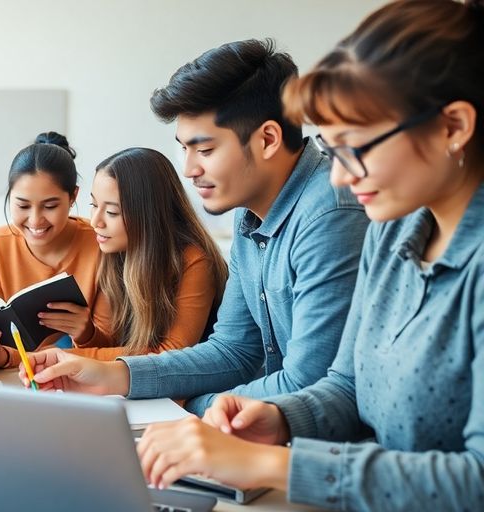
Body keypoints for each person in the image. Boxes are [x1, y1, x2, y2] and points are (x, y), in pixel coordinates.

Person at [135, 2, 484, 509]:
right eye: (333, 148)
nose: (339, 175)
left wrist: (268, 464)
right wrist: (280, 419)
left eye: (355, 146)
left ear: (453, 126)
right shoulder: (394, 233)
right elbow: (345, 385)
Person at [23, 39, 370, 415]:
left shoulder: (329, 216)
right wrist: (111, 375)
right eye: (183, 149)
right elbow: (233, 350)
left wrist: (194, 408)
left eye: (204, 151)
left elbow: (309, 384)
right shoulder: (249, 214)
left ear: (267, 139)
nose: (189, 170)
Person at [0, 132, 116, 367]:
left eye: (50, 206)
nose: (36, 220)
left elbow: (110, 350)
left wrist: (86, 333)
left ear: (73, 196)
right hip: (14, 372)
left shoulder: (101, 244)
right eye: (23, 205)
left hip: (80, 369)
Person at [74, 147, 227, 360]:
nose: (95, 222)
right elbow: (110, 345)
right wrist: (85, 333)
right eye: (93, 205)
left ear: (148, 215)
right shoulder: (113, 250)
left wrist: (64, 356)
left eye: (112, 212)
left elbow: (171, 354)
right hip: (130, 387)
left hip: (189, 389)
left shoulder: (195, 262)